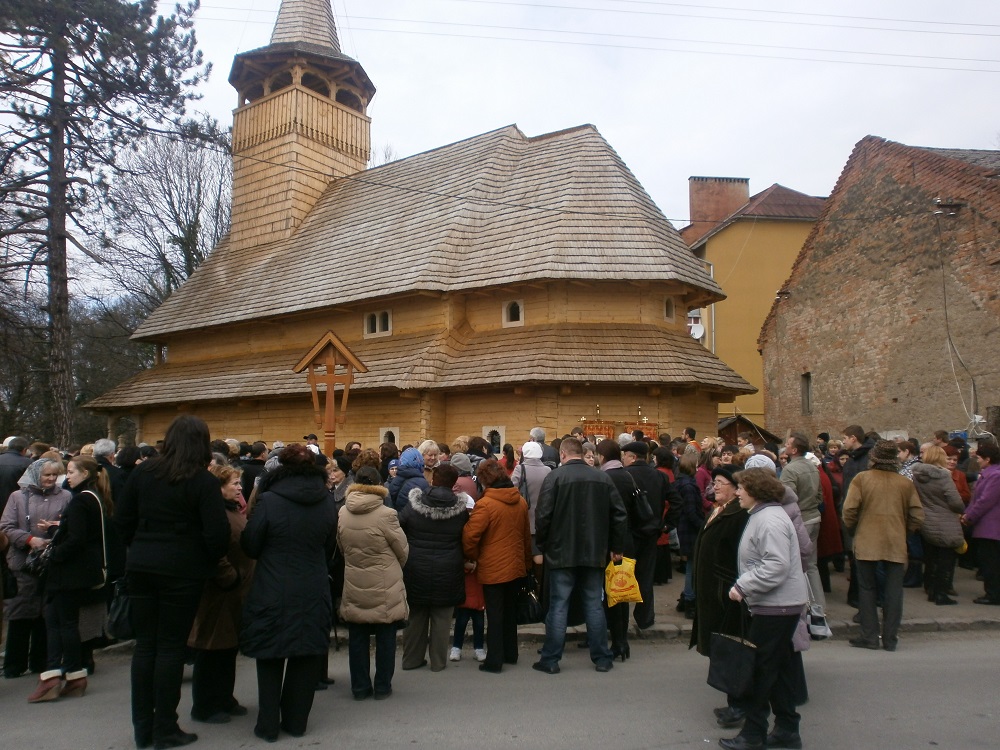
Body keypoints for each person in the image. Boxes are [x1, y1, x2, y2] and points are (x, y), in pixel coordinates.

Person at [115, 415, 230, 750]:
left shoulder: (143, 472)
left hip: (142, 565)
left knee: (146, 646)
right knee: (169, 647)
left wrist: (140, 546)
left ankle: (143, 727)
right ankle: (164, 725)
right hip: (182, 570)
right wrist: (205, 561)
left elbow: (122, 520)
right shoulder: (201, 482)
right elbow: (217, 535)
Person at [239, 444, 336, 741]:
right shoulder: (327, 501)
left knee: (270, 653)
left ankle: (267, 724)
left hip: (273, 584)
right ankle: (296, 721)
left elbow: (251, 544)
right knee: (306, 653)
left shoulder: (269, 500)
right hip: (313, 583)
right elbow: (329, 547)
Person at [720, 468, 808, 750]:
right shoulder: (765, 515)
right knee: (778, 668)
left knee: (760, 670)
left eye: (741, 488)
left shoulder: (768, 519)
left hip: (777, 606)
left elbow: (776, 565)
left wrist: (743, 586)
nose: (737, 492)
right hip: (778, 604)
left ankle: (754, 733)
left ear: (755, 491)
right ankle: (787, 729)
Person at [533, 438, 627, 674]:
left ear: (563, 454)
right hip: (595, 552)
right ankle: (602, 658)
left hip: (561, 552)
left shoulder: (554, 478)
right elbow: (619, 514)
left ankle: (551, 659)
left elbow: (543, 515)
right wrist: (616, 546)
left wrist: (543, 545)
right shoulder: (602, 477)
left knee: (558, 606)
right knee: (594, 605)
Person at [27, 455, 110, 703]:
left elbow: (76, 539)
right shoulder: (93, 498)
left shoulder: (80, 501)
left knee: (59, 622)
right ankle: (74, 675)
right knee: (63, 621)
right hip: (80, 573)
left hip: (68, 574)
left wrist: (53, 555)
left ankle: (54, 676)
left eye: (72, 471)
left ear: (85, 474)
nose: (67, 476)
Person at [187, 464, 255, 724]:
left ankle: (225, 697)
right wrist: (229, 576)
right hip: (219, 590)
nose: (239, 488)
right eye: (234, 484)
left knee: (227, 647)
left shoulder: (232, 510)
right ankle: (204, 704)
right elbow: (213, 549)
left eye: (239, 483)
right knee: (211, 647)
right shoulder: (214, 514)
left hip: (235, 591)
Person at [842, 440, 924, 651]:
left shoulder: (862, 479)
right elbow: (917, 515)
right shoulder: (905, 483)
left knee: (867, 589)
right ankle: (890, 638)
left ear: (874, 458)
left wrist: (854, 531)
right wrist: (904, 532)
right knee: (894, 591)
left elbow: (849, 511)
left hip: (867, 540)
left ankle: (869, 636)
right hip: (896, 542)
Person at [338, 466, 409, 700]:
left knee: (357, 638)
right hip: (384, 582)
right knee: (385, 637)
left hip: (354, 580)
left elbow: (341, 547)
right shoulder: (386, 514)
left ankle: (359, 687)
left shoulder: (343, 513)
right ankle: (382, 686)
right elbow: (402, 550)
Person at [689, 465, 750, 725]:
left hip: (725, 593)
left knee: (730, 649)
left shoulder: (738, 515)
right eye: (714, 481)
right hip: (712, 591)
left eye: (721, 482)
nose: (714, 486)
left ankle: (739, 704)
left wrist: (729, 586)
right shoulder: (719, 510)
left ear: (737, 489)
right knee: (721, 648)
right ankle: (735, 702)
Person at [2, 458, 72, 679]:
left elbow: (70, 524)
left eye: (54, 475)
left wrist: (55, 530)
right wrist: (29, 539)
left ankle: (40, 662)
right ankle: (14, 664)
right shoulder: (17, 497)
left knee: (46, 615)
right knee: (21, 613)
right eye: (46, 475)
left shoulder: (66, 496)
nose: (51, 479)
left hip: (51, 563)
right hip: (23, 563)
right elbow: (6, 526)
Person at [462, 459, 532, 673]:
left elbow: (470, 537)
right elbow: (525, 537)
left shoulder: (486, 504)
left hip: (492, 566)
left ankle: (494, 660)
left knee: (494, 614)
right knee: (509, 612)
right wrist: (526, 564)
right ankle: (511, 653)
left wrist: (474, 557)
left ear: (484, 480)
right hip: (516, 565)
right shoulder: (520, 502)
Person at [399, 464, 469, 672]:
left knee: (415, 615)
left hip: (416, 565)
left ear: (433, 480)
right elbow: (465, 535)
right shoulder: (460, 509)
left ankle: (411, 659)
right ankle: (438, 662)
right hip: (448, 567)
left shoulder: (414, 504)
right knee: (442, 617)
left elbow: (399, 524)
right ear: (453, 483)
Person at [623, 440, 672, 630]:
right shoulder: (660, 476)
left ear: (633, 457)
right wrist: (666, 524)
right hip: (652, 532)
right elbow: (676, 501)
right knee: (645, 575)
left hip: (629, 533)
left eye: (625, 455)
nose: (623, 459)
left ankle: (621, 618)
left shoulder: (625, 475)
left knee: (623, 574)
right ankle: (645, 617)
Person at [912, 446, 964, 605]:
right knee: (946, 560)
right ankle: (941, 593)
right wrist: (961, 509)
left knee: (931, 557)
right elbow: (955, 502)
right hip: (945, 520)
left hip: (926, 519)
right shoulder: (943, 476)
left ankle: (931, 589)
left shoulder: (917, 475)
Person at [962, 441, 1000, 604]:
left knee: (991, 562)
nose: (977, 461)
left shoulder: (995, 475)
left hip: (992, 527)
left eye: (979, 458)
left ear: (988, 458)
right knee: (988, 561)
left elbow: (985, 500)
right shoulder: (990, 473)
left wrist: (969, 516)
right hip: (988, 526)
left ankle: (993, 594)